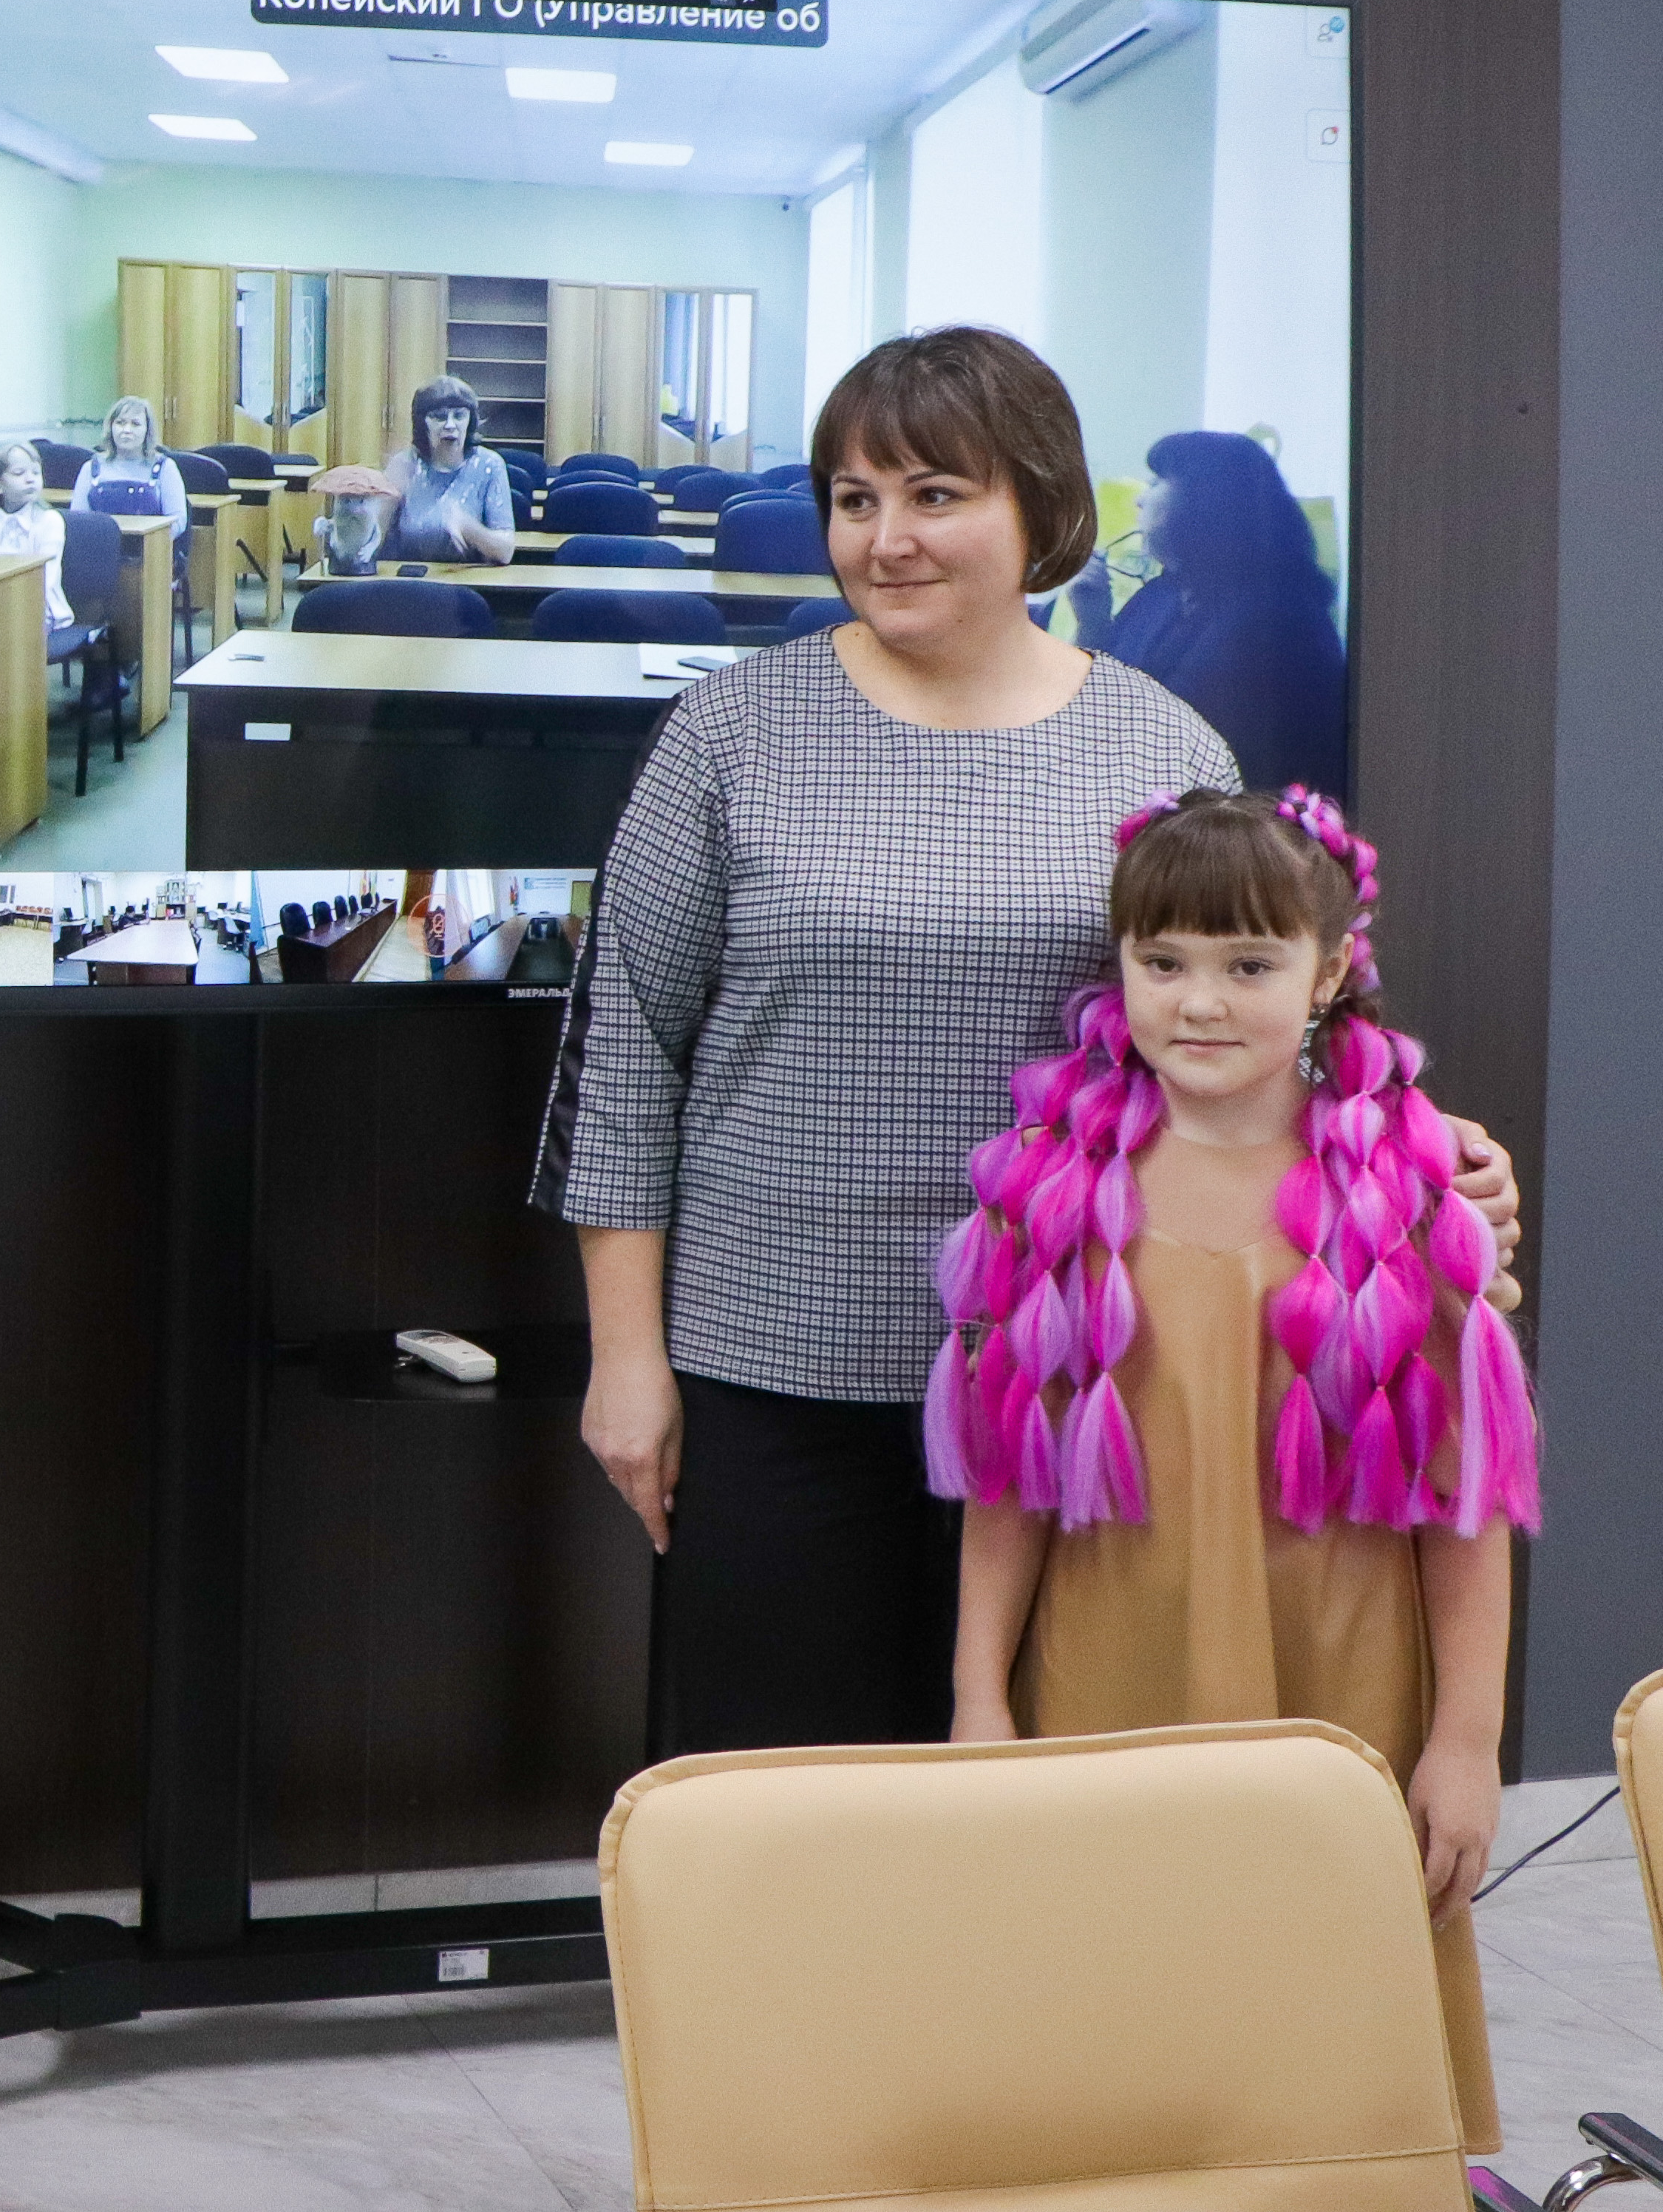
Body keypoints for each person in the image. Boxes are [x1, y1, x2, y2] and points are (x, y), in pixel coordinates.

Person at [537, 326, 1520, 1758]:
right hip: (774, 1361)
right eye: (854, 498)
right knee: (780, 1793)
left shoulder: (1159, 744)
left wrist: (1424, 1155)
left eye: (932, 493)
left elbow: (1234, 1020)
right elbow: (626, 1049)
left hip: (1073, 1369)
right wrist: (624, 1357)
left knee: (1028, 1806)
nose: (883, 538)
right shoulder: (726, 733)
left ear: (1037, 506)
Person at [940, 784, 1532, 2149]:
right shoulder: (1048, 1191)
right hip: (1105, 1683)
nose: (1198, 1001)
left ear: (1327, 973)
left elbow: (1463, 1503)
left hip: (1342, 1690)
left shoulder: (1406, 1197)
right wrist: (977, 1695)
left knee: (1325, 2048)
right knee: (1110, 2036)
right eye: (1161, 961)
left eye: (1248, 964)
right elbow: (1004, 1480)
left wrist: (1463, 1738)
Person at [1069, 429, 1349, 799]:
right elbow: (1098, 706)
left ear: (1205, 500)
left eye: (1156, 483)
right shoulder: (1162, 594)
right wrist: (1092, 623)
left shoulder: (1280, 620)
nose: (1140, 499)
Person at [380, 376, 516, 563]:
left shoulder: (489, 464)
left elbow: (506, 552)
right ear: (422, 423)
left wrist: (468, 527)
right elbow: (372, 542)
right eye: (439, 417)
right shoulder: (404, 463)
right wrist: (379, 501)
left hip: (468, 579)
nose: (450, 425)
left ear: (470, 421)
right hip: (411, 576)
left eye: (459, 416)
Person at [0, 438, 71, 629]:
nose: (30, 479)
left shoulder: (49, 521)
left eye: (36, 472)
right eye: (19, 473)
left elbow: (46, 581)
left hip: (37, 611)